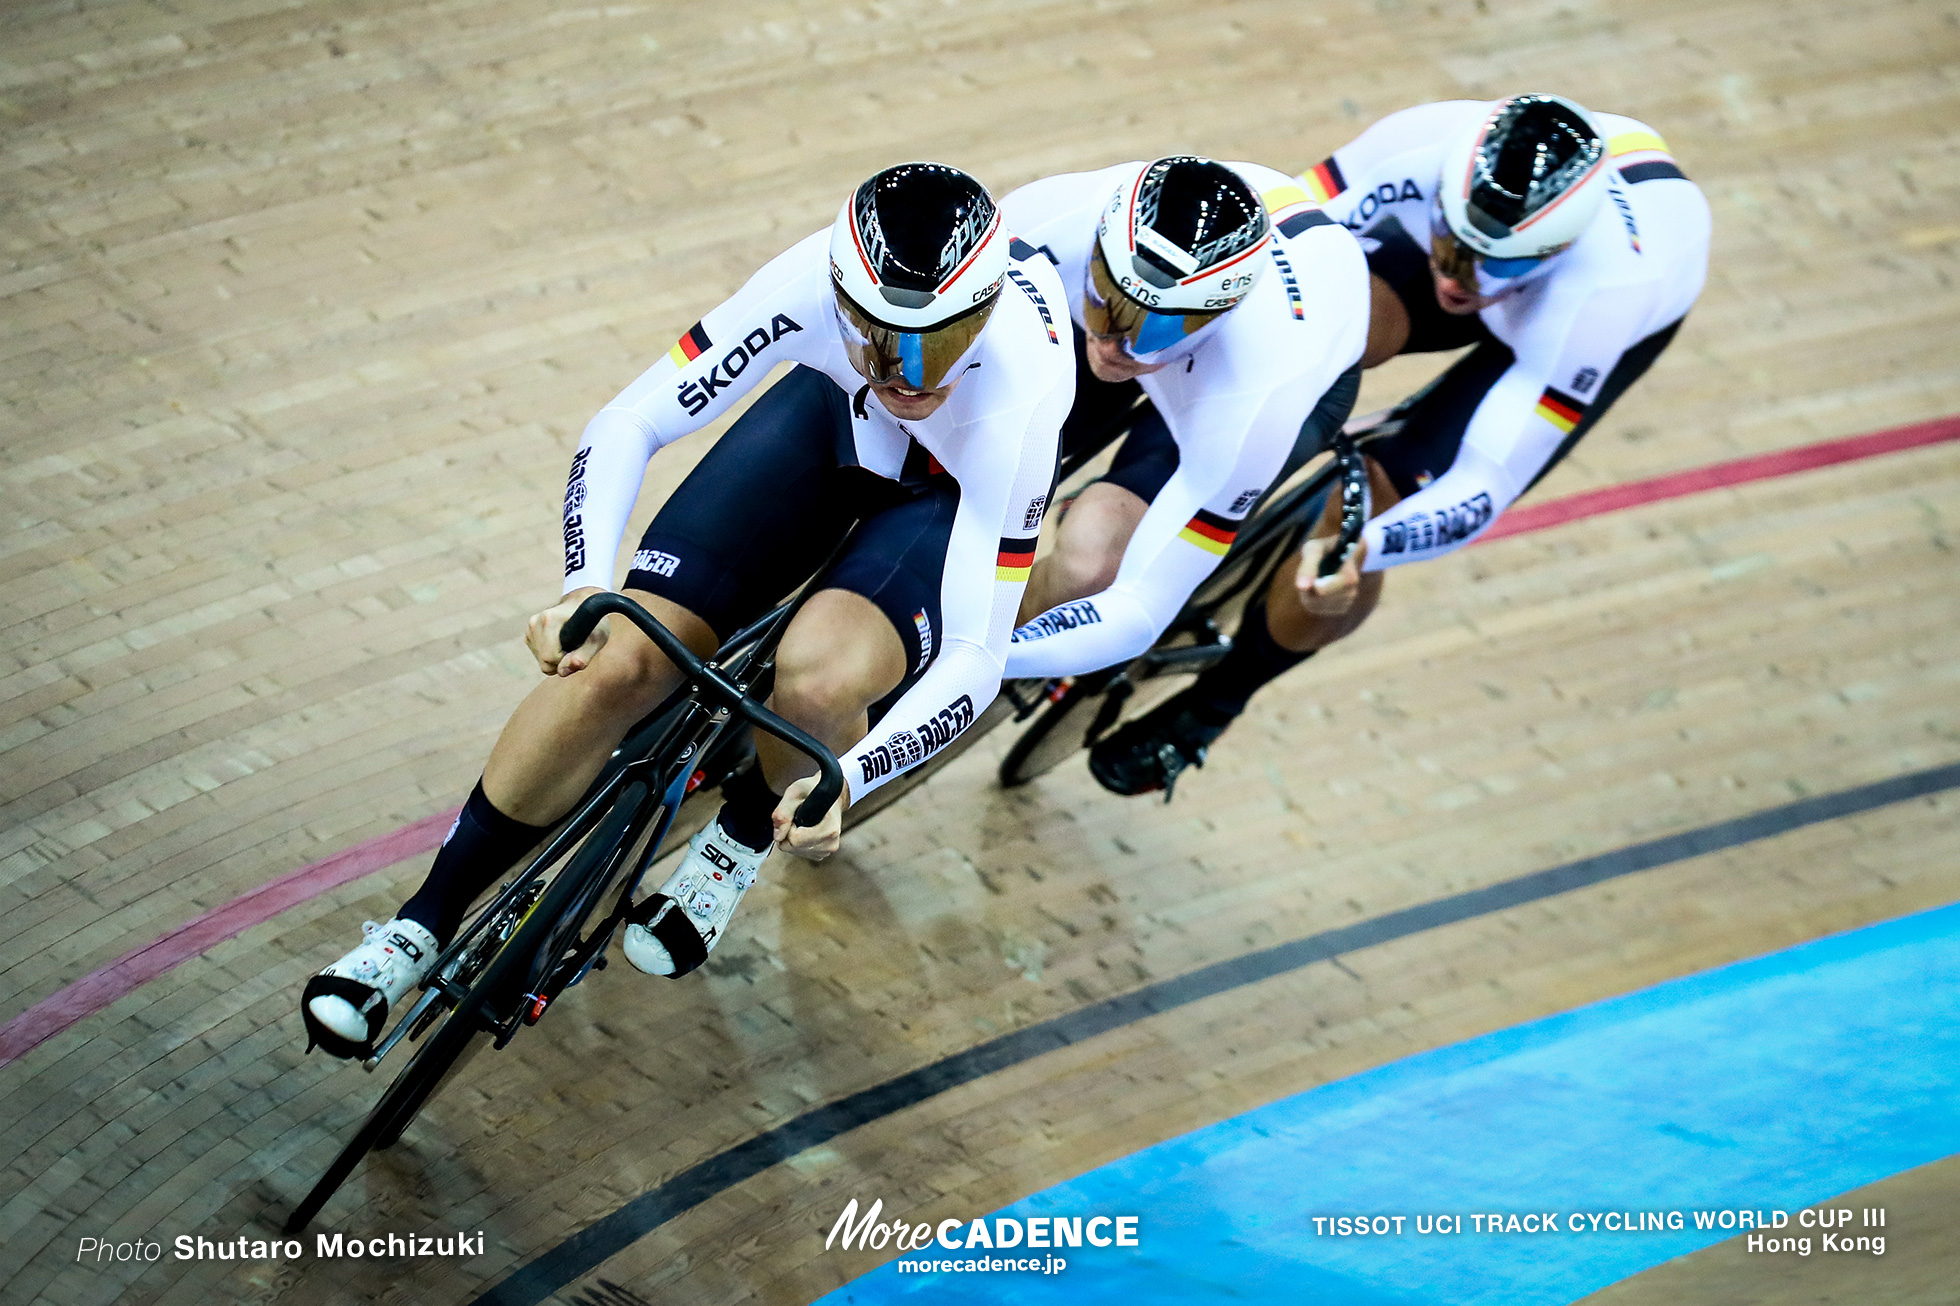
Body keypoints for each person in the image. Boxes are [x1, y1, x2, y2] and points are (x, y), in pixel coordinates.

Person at [300, 163, 1071, 1058]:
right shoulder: (804, 285)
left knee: (819, 682)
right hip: (826, 423)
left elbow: (976, 654)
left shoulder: (1023, 393)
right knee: (617, 657)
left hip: (941, 496)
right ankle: (419, 923)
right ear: (840, 300)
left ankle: (741, 833)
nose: (906, 375)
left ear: (980, 317)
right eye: (880, 338)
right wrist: (583, 586)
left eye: (935, 346)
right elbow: (631, 420)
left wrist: (849, 779)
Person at [1089, 95, 1711, 795]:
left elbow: (1484, 484)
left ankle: (1214, 704)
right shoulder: (1417, 147)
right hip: (1495, 250)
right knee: (1341, 331)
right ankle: (1157, 480)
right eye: (1451, 246)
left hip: (1561, 327)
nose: (1457, 280)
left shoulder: (1605, 295)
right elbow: (1277, 258)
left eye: (1487, 266)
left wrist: (1366, 545)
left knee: (1364, 517)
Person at [996, 156, 1368, 701]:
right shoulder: (1056, 219)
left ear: (1219, 313)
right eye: (1103, 305)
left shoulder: (1261, 389)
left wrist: (987, 662)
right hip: (1197, 352)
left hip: (1237, 389)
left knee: (1090, 562)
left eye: (1154, 331)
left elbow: (1141, 609)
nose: (1111, 346)